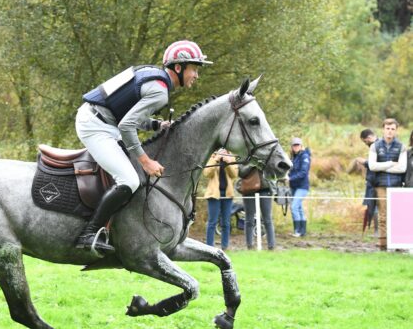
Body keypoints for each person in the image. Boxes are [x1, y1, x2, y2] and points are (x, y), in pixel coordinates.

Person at [74, 40, 212, 253]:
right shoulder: (160, 91)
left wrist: (157, 125)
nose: (196, 75)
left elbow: (125, 114)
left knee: (130, 174)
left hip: (101, 119)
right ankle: (89, 233)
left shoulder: (153, 75)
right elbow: (127, 125)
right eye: (194, 69)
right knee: (129, 179)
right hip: (96, 125)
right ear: (179, 67)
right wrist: (146, 161)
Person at [368, 118, 406, 250]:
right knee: (382, 214)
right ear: (383, 129)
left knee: (396, 214)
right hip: (381, 185)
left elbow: (402, 168)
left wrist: (381, 166)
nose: (390, 131)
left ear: (396, 130)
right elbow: (372, 166)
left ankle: (398, 242)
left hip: (396, 185)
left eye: (392, 129)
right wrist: (390, 164)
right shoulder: (375, 146)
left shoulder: (401, 146)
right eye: (387, 129)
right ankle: (383, 242)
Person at [203, 149, 238, 250]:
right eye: (220, 149)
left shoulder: (231, 158)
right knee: (212, 222)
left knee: (226, 222)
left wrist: (228, 163)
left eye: (224, 149)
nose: (223, 151)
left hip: (227, 194)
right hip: (214, 195)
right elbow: (206, 173)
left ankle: (225, 246)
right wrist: (216, 160)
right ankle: (209, 247)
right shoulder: (212, 157)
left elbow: (234, 175)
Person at [238, 165, 276, 249]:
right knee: (249, 220)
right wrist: (251, 165)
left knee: (268, 219)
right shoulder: (245, 156)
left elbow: (273, 170)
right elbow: (240, 172)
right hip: (248, 190)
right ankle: (249, 246)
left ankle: (271, 246)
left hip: (265, 189)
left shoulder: (265, 154)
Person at [288, 137, 311, 237]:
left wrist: (290, 178)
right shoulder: (293, 157)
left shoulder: (304, 156)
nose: (296, 147)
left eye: (297, 145)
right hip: (294, 186)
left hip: (302, 186)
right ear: (292, 147)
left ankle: (297, 231)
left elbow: (303, 172)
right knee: (299, 208)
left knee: (294, 207)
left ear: (301, 146)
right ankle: (302, 231)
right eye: (294, 145)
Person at [358, 129, 378, 235]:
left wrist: (364, 162)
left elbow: (376, 164)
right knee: (371, 206)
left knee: (375, 206)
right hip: (371, 181)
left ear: (369, 138)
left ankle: (377, 231)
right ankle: (374, 230)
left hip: (375, 182)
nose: (366, 144)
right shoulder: (374, 146)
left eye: (365, 142)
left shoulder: (378, 146)